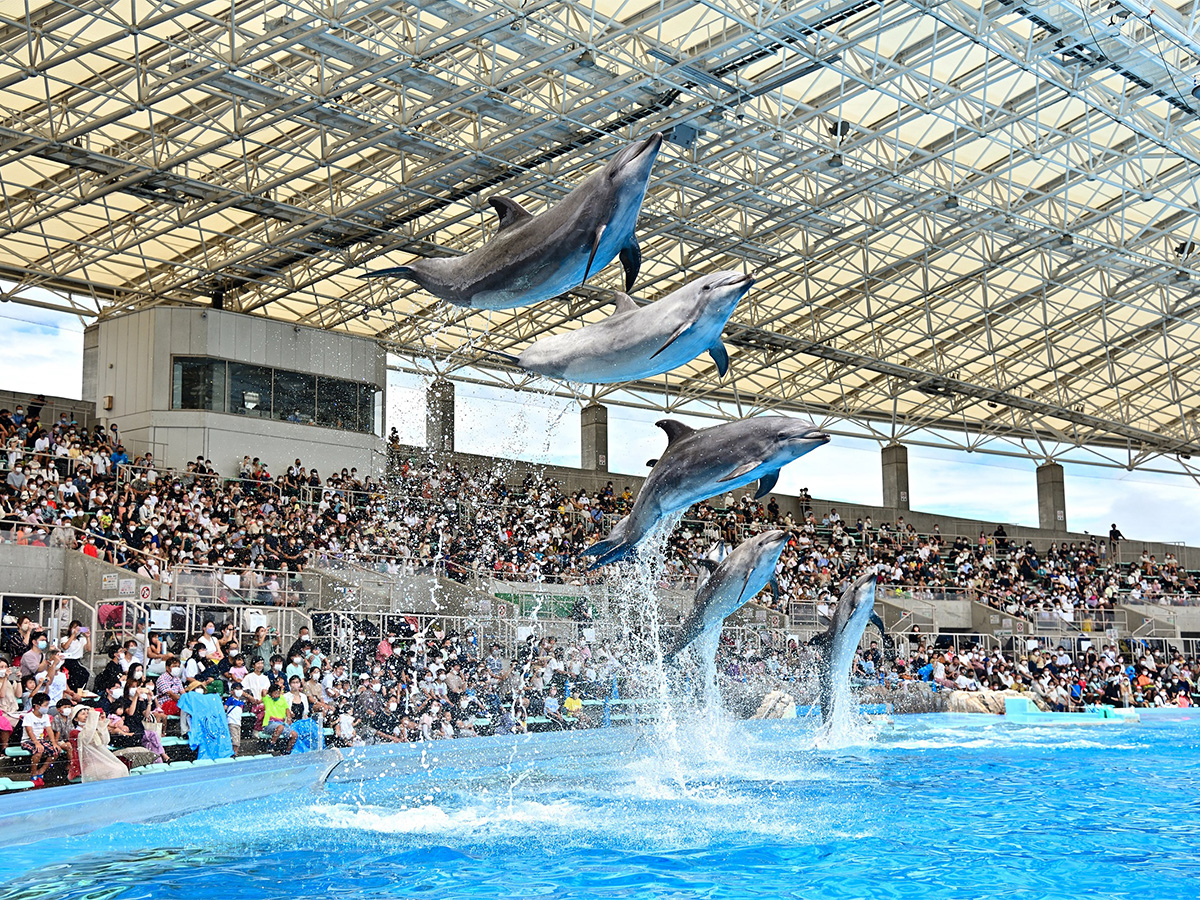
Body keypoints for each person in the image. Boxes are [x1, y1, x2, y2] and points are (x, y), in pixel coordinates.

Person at [21, 692, 63, 788]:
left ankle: (41, 771)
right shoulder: (29, 716)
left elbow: (49, 730)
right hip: (28, 741)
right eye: (45, 705)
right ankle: (33, 773)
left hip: (41, 740)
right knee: (38, 752)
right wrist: (36, 743)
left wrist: (54, 743)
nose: (47, 707)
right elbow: (29, 731)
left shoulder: (45, 716)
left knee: (55, 751)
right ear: (37, 706)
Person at [260, 682, 297, 753]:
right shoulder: (267, 699)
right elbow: (263, 691)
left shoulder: (282, 698)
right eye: (275, 693)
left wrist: (289, 718)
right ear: (270, 693)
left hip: (281, 724)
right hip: (269, 724)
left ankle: (287, 752)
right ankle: (271, 746)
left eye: (278, 693)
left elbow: (287, 709)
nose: (277, 695)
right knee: (280, 727)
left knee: (294, 735)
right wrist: (271, 691)